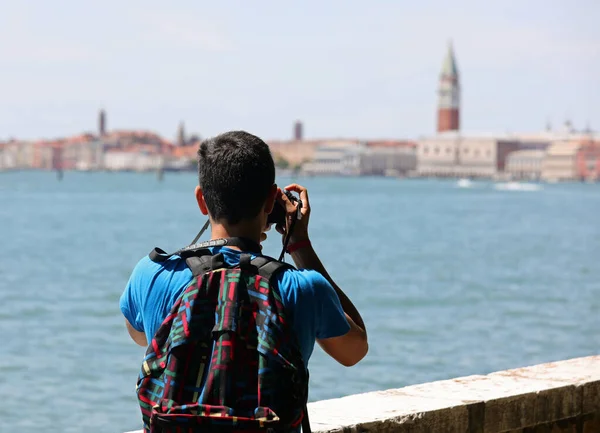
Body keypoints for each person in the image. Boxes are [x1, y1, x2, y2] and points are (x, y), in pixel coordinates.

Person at [119, 130, 368, 423]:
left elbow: (140, 335)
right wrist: (299, 243)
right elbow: (354, 350)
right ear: (271, 201)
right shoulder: (302, 288)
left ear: (202, 200)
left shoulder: (152, 274)